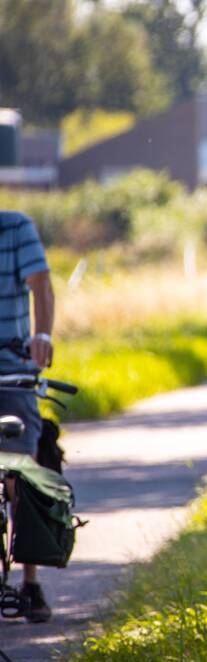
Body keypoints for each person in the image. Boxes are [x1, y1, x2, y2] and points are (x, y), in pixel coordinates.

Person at [0, 211, 54, 623]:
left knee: (22, 471)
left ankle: (30, 581)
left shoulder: (16, 228)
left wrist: (42, 337)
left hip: (11, 372)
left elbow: (40, 285)